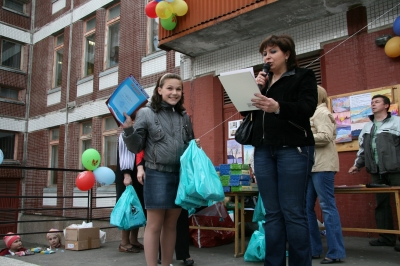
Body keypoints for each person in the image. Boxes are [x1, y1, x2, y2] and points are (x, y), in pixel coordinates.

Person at [250, 34, 317, 266]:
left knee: (293, 212)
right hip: (263, 151)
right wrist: (256, 89)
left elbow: (307, 108)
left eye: (273, 52)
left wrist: (278, 107)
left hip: (294, 149)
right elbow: (247, 115)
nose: (267, 57)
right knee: (272, 213)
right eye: (265, 53)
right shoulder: (263, 81)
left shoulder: (303, 76)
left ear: (287, 54)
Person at [122, 73, 200, 266]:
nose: (174, 93)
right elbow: (136, 147)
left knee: (171, 225)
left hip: (179, 174)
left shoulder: (184, 116)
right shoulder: (146, 113)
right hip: (156, 173)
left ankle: (166, 264)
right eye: (170, 88)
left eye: (178, 89)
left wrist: (193, 145)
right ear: (159, 90)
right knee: (154, 225)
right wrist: (128, 130)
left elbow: (189, 141)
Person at [348, 94, 400, 251]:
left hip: (396, 169)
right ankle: (386, 237)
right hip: (376, 171)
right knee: (381, 204)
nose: (373, 104)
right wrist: (357, 165)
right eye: (371, 102)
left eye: (377, 102)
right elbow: (363, 150)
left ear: (386, 105)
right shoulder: (367, 127)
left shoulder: (397, 122)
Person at [306, 85, 345, 264]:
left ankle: (336, 251)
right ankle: (314, 249)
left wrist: (302, 136)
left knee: (327, 207)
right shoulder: (310, 113)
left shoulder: (321, 112)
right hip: (310, 167)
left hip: (323, 166)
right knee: (305, 209)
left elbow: (326, 136)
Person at [115, 112, 146, 253]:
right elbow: (124, 157)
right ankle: (124, 242)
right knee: (127, 208)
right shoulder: (124, 135)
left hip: (137, 175)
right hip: (127, 176)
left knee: (137, 207)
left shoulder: (136, 135)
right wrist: (127, 175)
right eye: (135, 121)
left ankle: (133, 239)